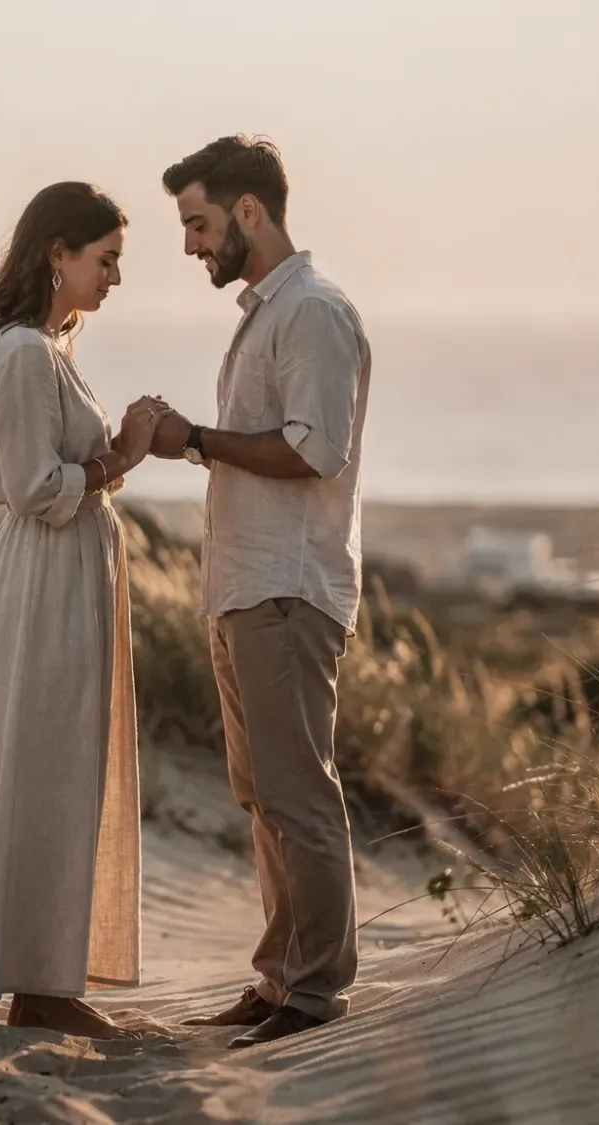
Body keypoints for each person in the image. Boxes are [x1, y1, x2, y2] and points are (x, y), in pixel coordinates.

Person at [138, 135, 373, 1048]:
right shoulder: (267, 311)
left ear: (248, 212)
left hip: (289, 587)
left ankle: (315, 994)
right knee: (262, 792)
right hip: (244, 587)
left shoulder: (312, 311)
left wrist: (192, 435)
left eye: (198, 223)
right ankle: (280, 979)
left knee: (297, 790)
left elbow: (316, 451)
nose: (192, 245)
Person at [0, 181, 166, 1041]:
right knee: (47, 767)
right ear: (56, 254)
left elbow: (51, 471)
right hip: (47, 576)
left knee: (61, 765)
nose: (114, 278)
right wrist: (125, 455)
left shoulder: (46, 351)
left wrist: (111, 450)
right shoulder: (26, 353)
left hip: (67, 572)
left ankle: (46, 975)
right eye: (105, 260)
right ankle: (38, 985)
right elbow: (34, 487)